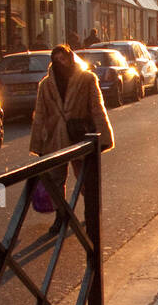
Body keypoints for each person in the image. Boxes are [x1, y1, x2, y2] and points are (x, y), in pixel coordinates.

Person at [29, 45, 114, 237]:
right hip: (54, 138)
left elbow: (96, 108)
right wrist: (37, 145)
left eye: (64, 59)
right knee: (56, 181)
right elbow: (40, 115)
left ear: (71, 58)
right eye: (57, 60)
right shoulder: (46, 84)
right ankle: (61, 215)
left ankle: (90, 213)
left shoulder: (86, 79)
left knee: (83, 179)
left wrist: (104, 137)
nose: (61, 63)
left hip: (78, 136)